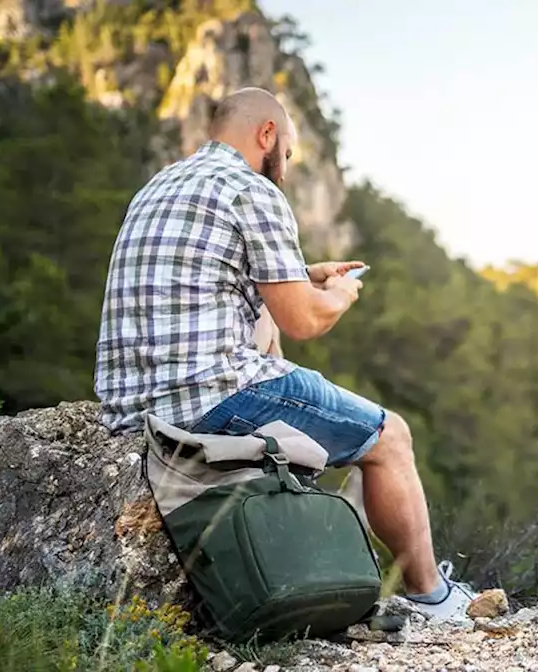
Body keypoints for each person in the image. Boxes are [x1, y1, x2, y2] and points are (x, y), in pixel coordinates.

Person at [93, 87, 475, 620]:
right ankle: (431, 595)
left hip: (132, 412)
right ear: (266, 134)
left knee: (273, 339)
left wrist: (304, 274)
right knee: (390, 438)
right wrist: (337, 295)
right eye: (289, 154)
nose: (287, 169)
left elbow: (207, 282)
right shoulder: (252, 189)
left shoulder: (157, 187)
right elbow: (305, 320)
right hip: (210, 399)